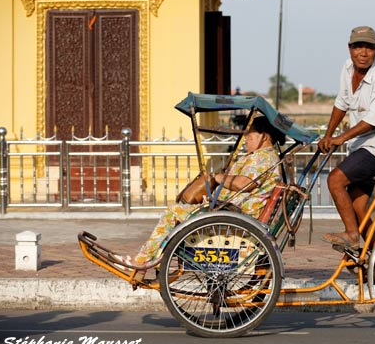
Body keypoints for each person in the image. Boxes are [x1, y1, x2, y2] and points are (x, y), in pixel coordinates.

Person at [115, 116, 285, 276]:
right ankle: (150, 260)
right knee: (179, 211)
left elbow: (244, 184)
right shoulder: (261, 157)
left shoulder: (263, 158)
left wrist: (218, 178)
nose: (246, 137)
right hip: (231, 213)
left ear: (264, 136)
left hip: (235, 217)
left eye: (250, 133)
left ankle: (141, 262)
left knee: (172, 213)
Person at [318, 26, 375, 250]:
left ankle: (352, 236)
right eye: (358, 47)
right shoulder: (347, 69)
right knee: (359, 208)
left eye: (369, 47)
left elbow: (374, 121)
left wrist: (340, 138)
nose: (363, 53)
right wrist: (328, 136)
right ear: (350, 48)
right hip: (362, 147)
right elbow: (341, 103)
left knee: (335, 180)